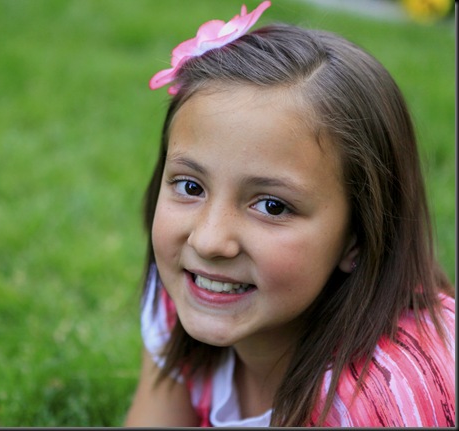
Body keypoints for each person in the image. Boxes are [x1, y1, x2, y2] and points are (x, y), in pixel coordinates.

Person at [124, 1, 455, 427]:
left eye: (272, 206)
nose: (208, 241)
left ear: (357, 237)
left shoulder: (382, 400)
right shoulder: (184, 297)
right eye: (191, 187)